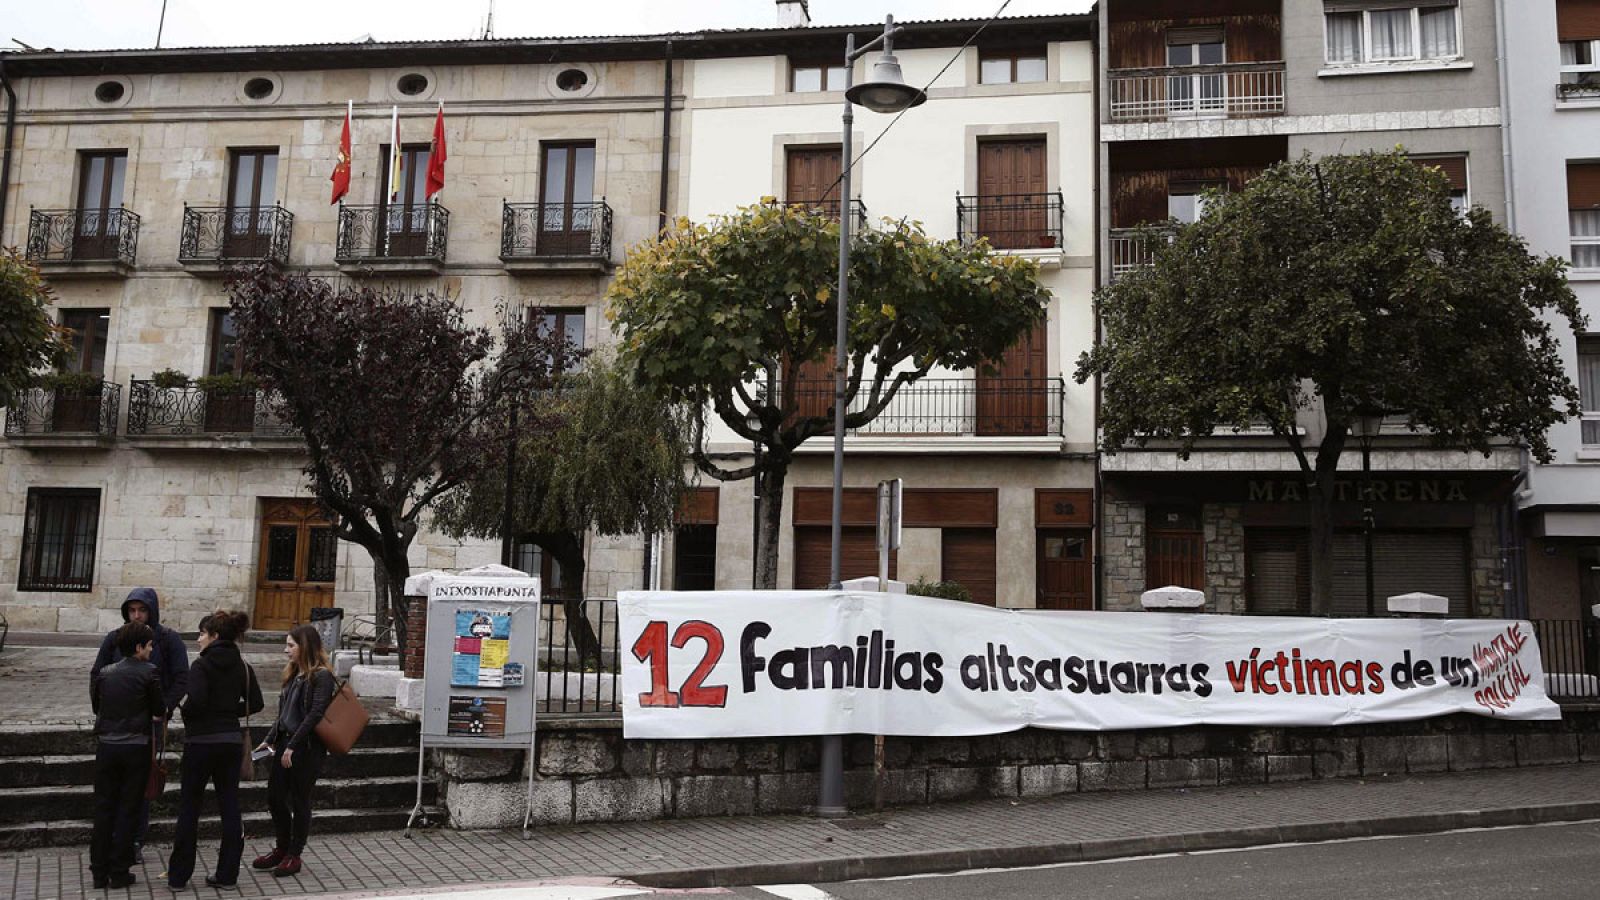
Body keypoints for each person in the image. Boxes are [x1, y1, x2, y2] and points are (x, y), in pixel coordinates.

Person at [167, 610, 264, 891]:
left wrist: (189, 712)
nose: (198, 640)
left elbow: (195, 701)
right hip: (231, 741)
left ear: (215, 636)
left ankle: (179, 875)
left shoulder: (202, 665)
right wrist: (227, 712)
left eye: (201, 634)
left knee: (189, 808)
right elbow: (255, 702)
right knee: (230, 806)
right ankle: (227, 874)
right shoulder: (243, 666)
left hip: (200, 742)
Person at [91, 587, 189, 858]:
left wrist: (165, 708)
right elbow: (97, 674)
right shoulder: (115, 639)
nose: (137, 616)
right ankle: (112, 842)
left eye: (142, 610)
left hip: (148, 724)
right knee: (112, 789)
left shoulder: (167, 639)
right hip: (115, 725)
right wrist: (102, 708)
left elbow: (181, 676)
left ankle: (133, 840)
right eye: (132, 610)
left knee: (141, 786)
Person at [252, 624, 337, 878]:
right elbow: (284, 715)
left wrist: (292, 745)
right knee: (275, 798)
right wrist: (268, 741)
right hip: (285, 744)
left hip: (306, 748)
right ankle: (281, 848)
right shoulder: (292, 674)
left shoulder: (321, 676)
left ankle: (294, 854)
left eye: (291, 645)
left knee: (300, 800)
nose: (286, 649)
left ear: (305, 647)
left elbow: (315, 714)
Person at [89, 622, 162, 890]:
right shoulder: (149, 672)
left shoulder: (106, 673)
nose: (152, 650)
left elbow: (97, 704)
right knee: (128, 808)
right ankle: (119, 870)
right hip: (135, 745)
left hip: (107, 745)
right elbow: (159, 707)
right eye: (150, 645)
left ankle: (98, 870)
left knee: (104, 807)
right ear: (139, 646)